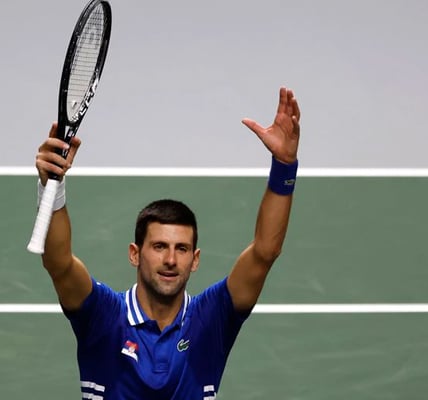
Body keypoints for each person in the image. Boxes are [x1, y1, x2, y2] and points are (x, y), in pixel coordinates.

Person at [34, 87, 301, 399]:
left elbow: (264, 252)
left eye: (182, 249)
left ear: (195, 259)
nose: (171, 259)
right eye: (159, 247)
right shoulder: (104, 316)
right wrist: (51, 183)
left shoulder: (210, 318)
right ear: (135, 254)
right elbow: (58, 262)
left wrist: (284, 166)